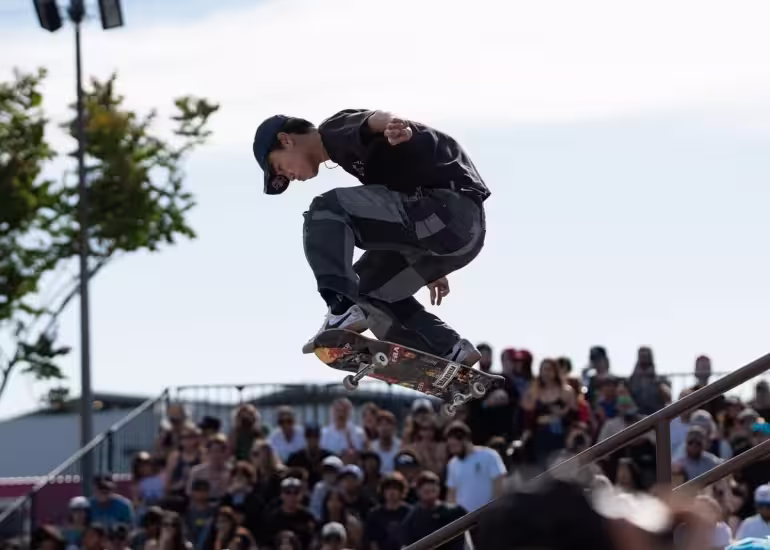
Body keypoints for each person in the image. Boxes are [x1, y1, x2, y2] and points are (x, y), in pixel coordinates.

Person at [252, 109, 490, 365]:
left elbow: (375, 119)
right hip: (455, 237)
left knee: (324, 209)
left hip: (449, 209)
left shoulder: (333, 131)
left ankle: (340, 306)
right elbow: (393, 206)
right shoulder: (362, 162)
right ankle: (446, 351)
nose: (289, 177)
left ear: (286, 140)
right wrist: (429, 260)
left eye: (280, 167)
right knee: (366, 290)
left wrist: (396, 127)